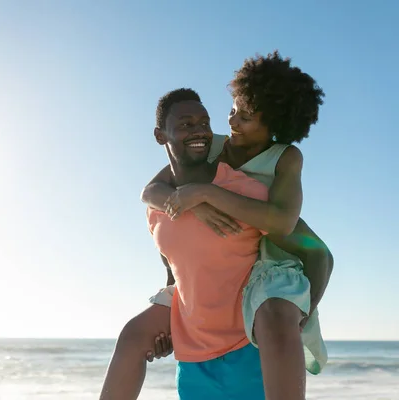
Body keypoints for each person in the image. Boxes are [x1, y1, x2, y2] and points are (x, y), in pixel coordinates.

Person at [100, 53, 333, 400]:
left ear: (275, 126)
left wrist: (206, 195)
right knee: (133, 334)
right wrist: (191, 201)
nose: (233, 121)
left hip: (272, 251)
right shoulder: (214, 147)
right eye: (232, 111)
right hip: (214, 263)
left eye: (247, 117)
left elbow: (286, 224)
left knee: (275, 316)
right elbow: (151, 191)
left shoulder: (284, 158)